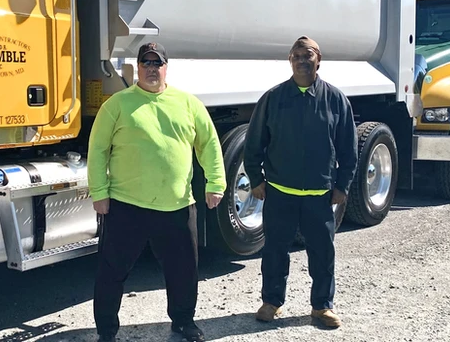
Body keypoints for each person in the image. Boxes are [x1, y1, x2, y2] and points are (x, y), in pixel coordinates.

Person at [87, 42, 227, 342]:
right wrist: (99, 192)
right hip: (127, 206)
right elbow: (97, 150)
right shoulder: (117, 104)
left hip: (176, 205)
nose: (152, 68)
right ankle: (106, 331)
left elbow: (209, 144)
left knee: (184, 271)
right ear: (137, 67)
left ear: (166, 67)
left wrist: (216, 183)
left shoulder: (188, 103)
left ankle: (183, 322)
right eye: (146, 62)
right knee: (112, 272)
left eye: (157, 63)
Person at [243, 36, 358, 328]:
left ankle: (322, 307)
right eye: (296, 55)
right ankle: (271, 302)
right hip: (280, 192)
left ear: (318, 60)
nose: (302, 60)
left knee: (322, 253)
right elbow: (254, 142)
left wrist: (342, 186)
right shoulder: (274, 98)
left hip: (319, 196)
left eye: (308, 55)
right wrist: (256, 179)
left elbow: (348, 148)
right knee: (274, 252)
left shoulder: (335, 100)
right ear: (290, 60)